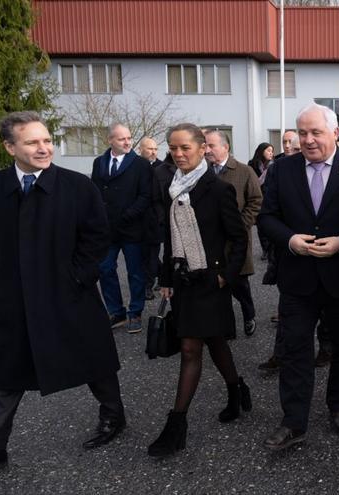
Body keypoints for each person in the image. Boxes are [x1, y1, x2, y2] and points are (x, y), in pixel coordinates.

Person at [0, 111, 127, 472]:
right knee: (7, 373)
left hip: (70, 295)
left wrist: (77, 278)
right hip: (16, 302)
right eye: (32, 142)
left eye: (47, 140)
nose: (44, 148)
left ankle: (114, 416)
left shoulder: (78, 187)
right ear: (9, 146)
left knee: (94, 361)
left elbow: (97, 238)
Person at [257, 103, 339, 449]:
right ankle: (294, 421)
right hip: (299, 278)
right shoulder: (281, 169)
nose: (307, 140)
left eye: (315, 132)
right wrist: (289, 239)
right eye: (302, 132)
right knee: (295, 350)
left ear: (336, 133)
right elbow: (267, 217)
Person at [148, 123, 250, 458]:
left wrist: (226, 278)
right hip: (183, 281)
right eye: (173, 149)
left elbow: (238, 238)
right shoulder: (171, 187)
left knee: (191, 347)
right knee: (214, 341)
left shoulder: (218, 189)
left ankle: (176, 424)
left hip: (211, 282)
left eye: (185, 148)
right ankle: (237, 390)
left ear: (202, 147)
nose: (178, 155)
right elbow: (168, 235)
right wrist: (165, 279)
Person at [90, 123, 152, 333]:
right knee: (105, 268)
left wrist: (127, 215)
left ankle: (135, 313)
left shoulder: (141, 164)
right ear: (110, 140)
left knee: (135, 272)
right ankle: (116, 312)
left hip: (132, 228)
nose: (127, 142)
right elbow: (95, 193)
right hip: (107, 230)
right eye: (121, 139)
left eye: (129, 138)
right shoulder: (99, 163)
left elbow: (145, 196)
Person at [204, 129, 263, 337]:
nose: (207, 150)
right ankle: (222, 324)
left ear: (225, 147)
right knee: (216, 284)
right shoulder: (203, 171)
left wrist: (241, 225)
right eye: (205, 146)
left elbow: (256, 201)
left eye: (211, 146)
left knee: (238, 283)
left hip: (236, 240)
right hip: (211, 240)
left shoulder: (244, 171)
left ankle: (249, 315)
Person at [138, 137, 164, 300]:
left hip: (155, 220)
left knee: (152, 255)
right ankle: (163, 275)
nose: (153, 152)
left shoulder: (162, 167)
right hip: (138, 219)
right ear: (141, 149)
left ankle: (147, 286)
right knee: (143, 254)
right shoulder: (135, 166)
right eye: (149, 149)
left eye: (155, 149)